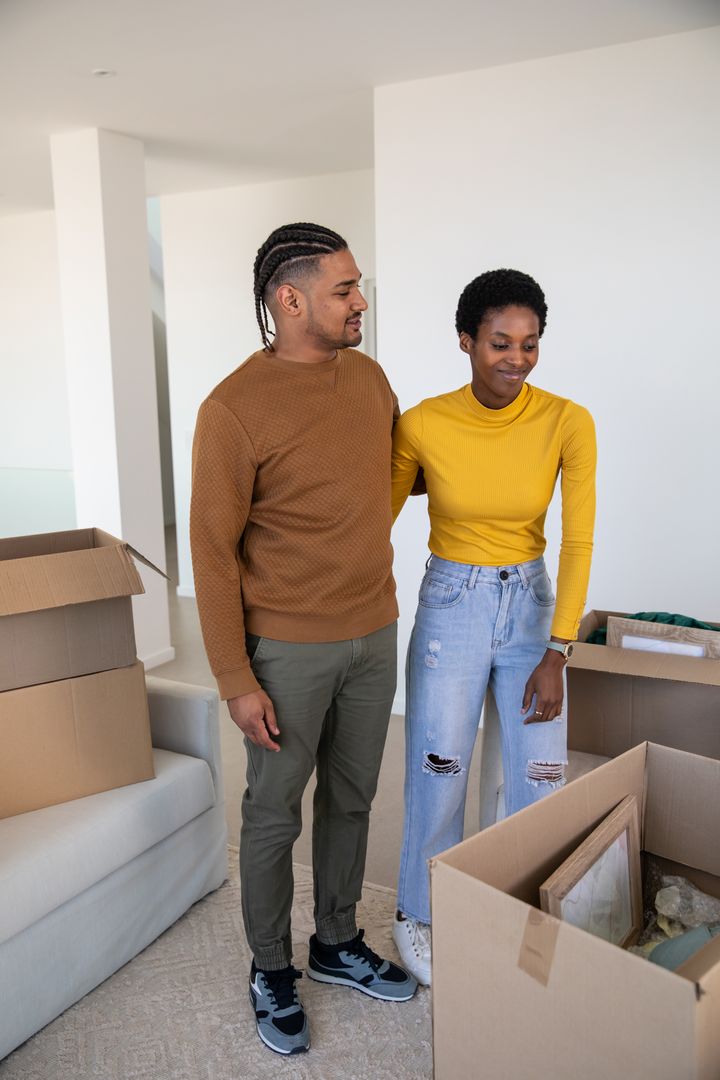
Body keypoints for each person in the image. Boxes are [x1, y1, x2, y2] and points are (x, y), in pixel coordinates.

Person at [190, 222, 417, 1057]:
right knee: (273, 811)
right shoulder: (231, 410)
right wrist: (232, 676)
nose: (362, 302)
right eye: (344, 289)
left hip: (374, 630)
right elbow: (211, 553)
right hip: (285, 649)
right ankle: (268, 968)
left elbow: (383, 477)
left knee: (354, 798)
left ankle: (333, 942)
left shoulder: (370, 378)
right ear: (290, 301)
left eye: (358, 286)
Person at [390, 269, 596, 986]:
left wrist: (558, 650)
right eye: (500, 343)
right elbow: (371, 518)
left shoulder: (567, 420)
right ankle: (419, 911)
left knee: (538, 776)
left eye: (530, 345)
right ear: (465, 341)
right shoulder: (422, 423)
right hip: (453, 603)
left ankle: (518, 913)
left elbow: (577, 541)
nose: (516, 359)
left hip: (534, 607)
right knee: (439, 767)